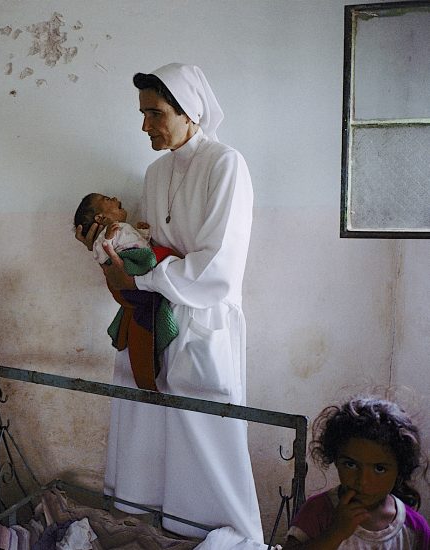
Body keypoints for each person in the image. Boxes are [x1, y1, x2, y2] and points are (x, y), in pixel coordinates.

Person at [75, 63, 262, 540]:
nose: (144, 126)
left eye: (155, 114)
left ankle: (218, 535)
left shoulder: (226, 164)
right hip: (151, 317)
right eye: (143, 114)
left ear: (189, 111)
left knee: (205, 434)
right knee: (146, 423)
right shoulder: (155, 172)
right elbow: (148, 243)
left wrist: (150, 274)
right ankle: (152, 532)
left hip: (202, 321)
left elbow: (218, 263)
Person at [285, 396, 430, 549]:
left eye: (379, 468)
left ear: (400, 470)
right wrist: (335, 533)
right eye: (351, 464)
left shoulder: (414, 529)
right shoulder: (318, 511)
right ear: (335, 459)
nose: (363, 480)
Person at [74, 192, 181, 390]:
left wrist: (144, 233)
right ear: (101, 218)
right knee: (154, 264)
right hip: (128, 267)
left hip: (137, 262)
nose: (115, 198)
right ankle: (152, 354)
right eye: (107, 199)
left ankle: (150, 349)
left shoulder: (124, 228)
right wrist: (106, 241)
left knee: (153, 261)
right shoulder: (106, 234)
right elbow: (101, 255)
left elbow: (140, 243)